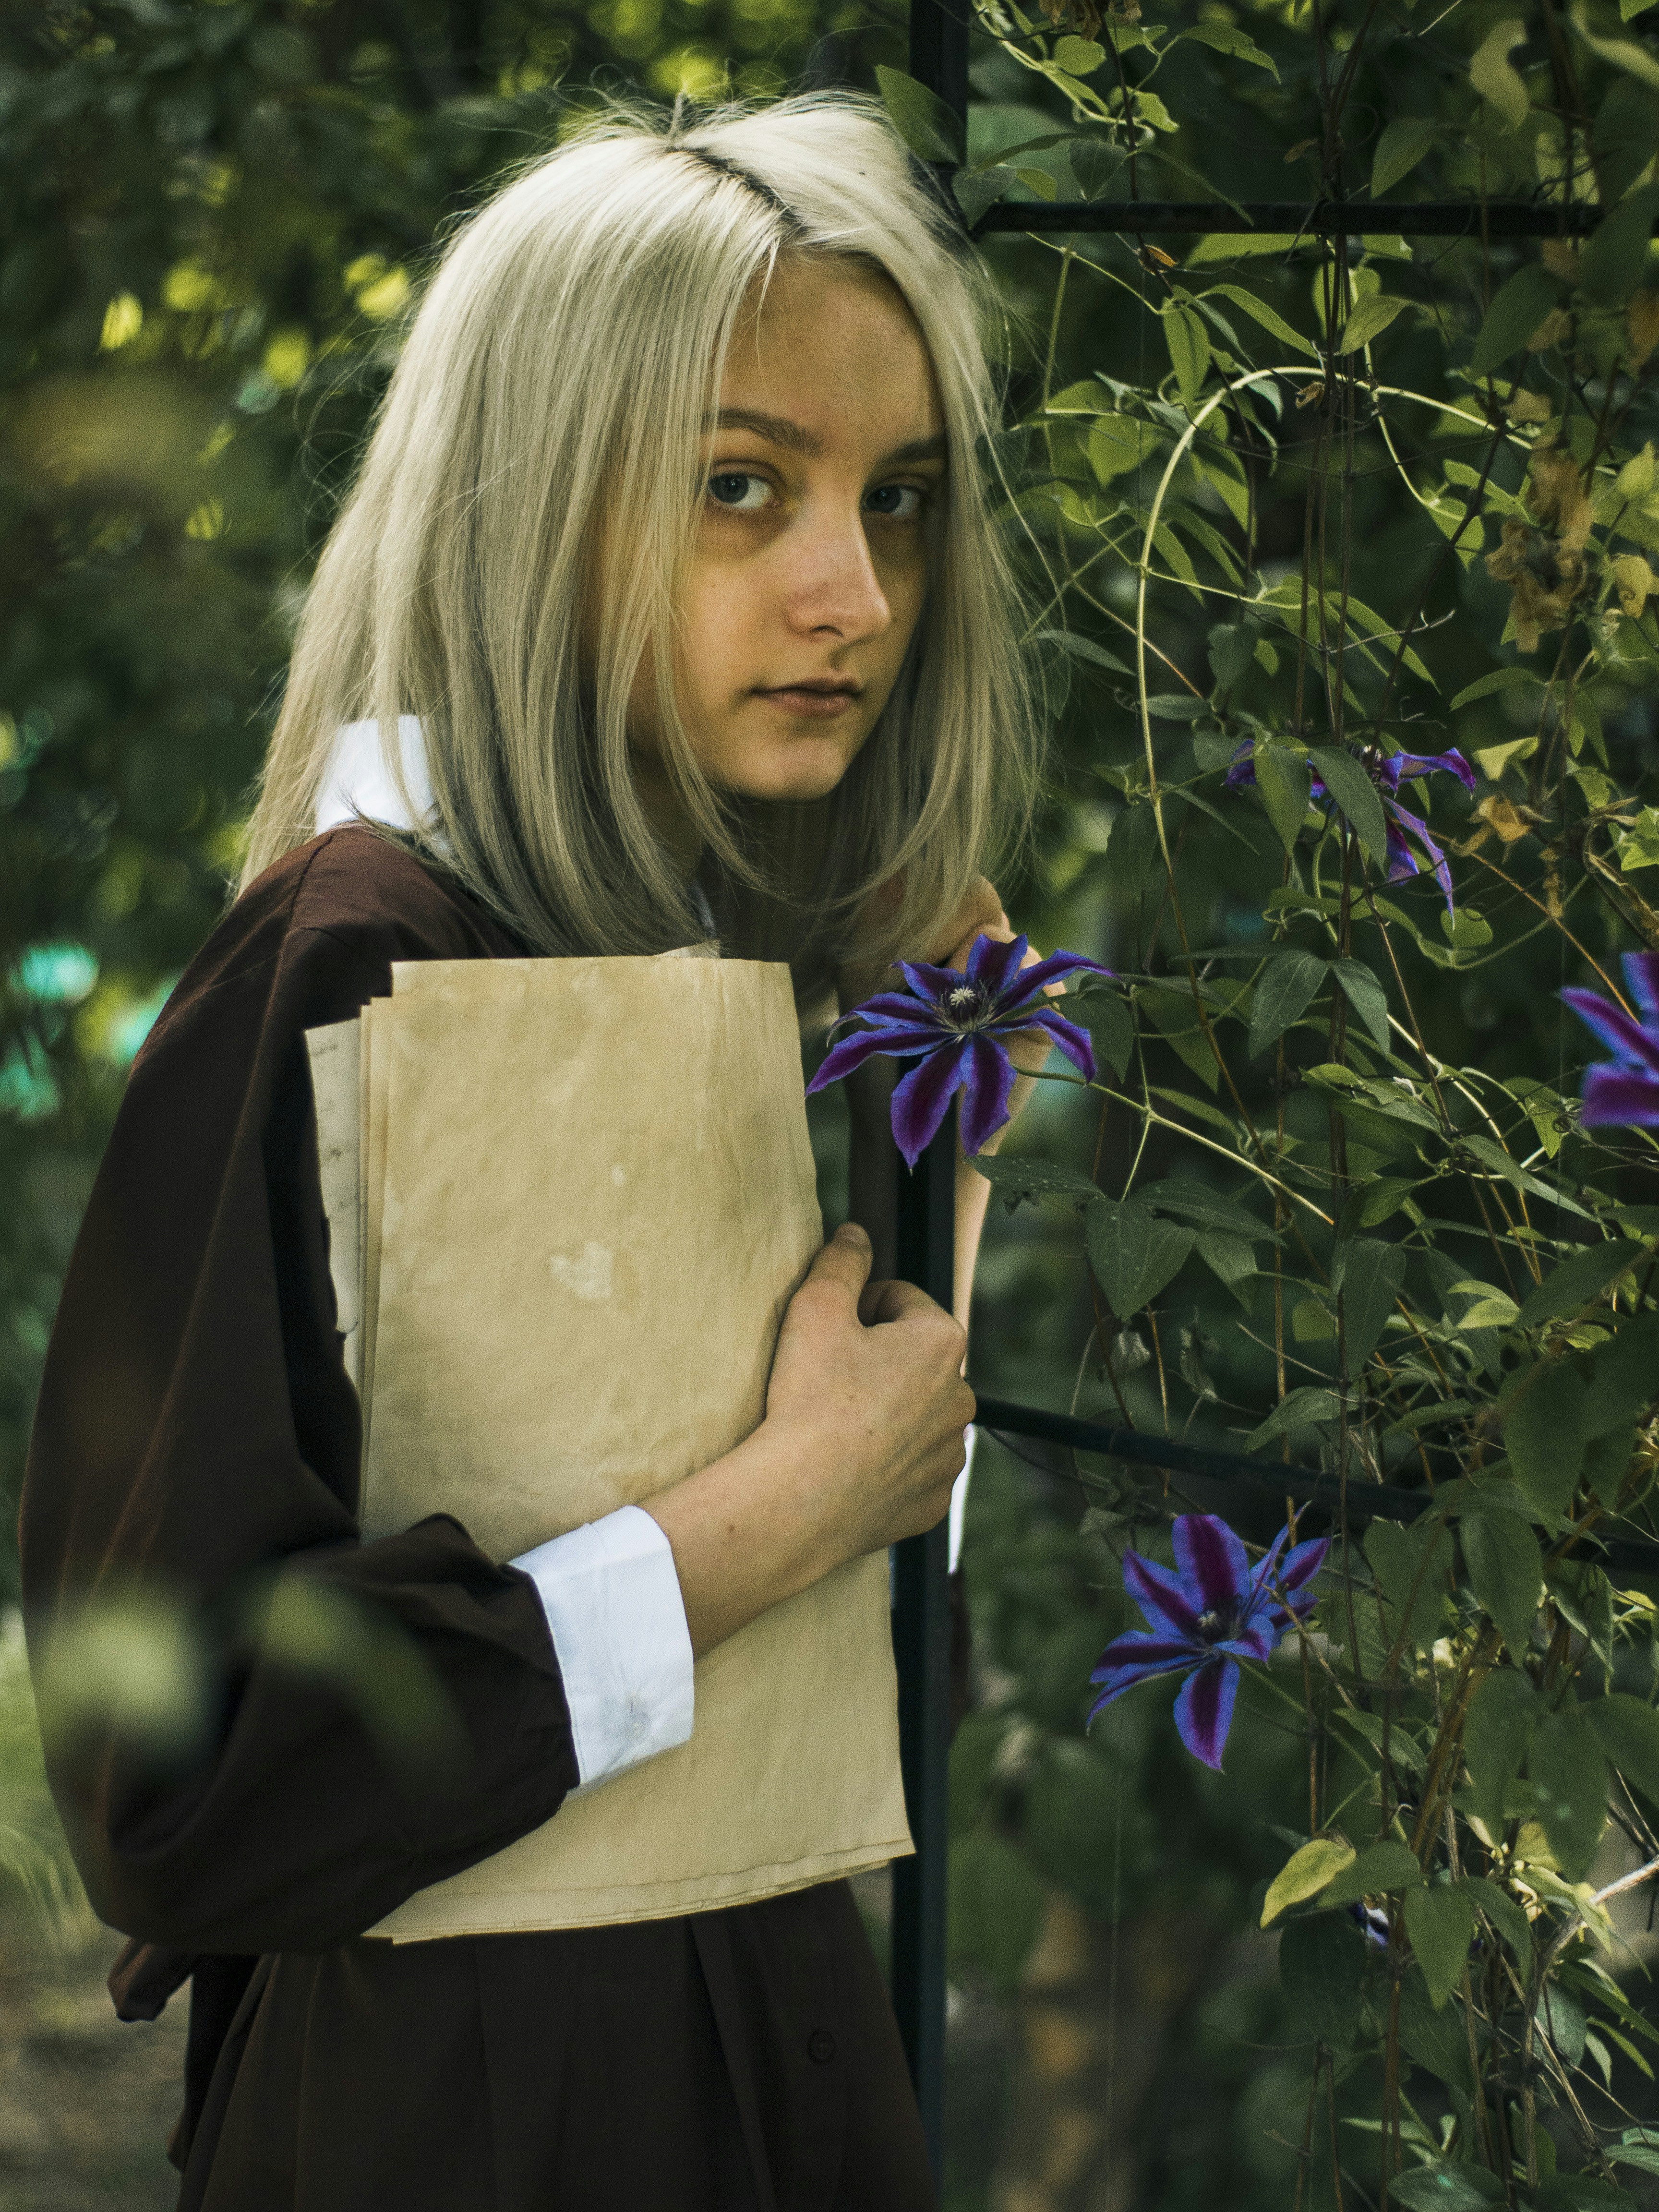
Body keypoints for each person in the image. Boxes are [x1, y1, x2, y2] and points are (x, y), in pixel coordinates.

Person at [21, 93, 1041, 2211]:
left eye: (902, 498)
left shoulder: (733, 951)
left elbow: (871, 1719)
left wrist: (939, 1186)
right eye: (742, 489)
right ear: (535, 501)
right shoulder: (354, 950)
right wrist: (767, 1516)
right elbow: (175, 1785)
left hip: (768, 2075)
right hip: (455, 2127)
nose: (856, 591)